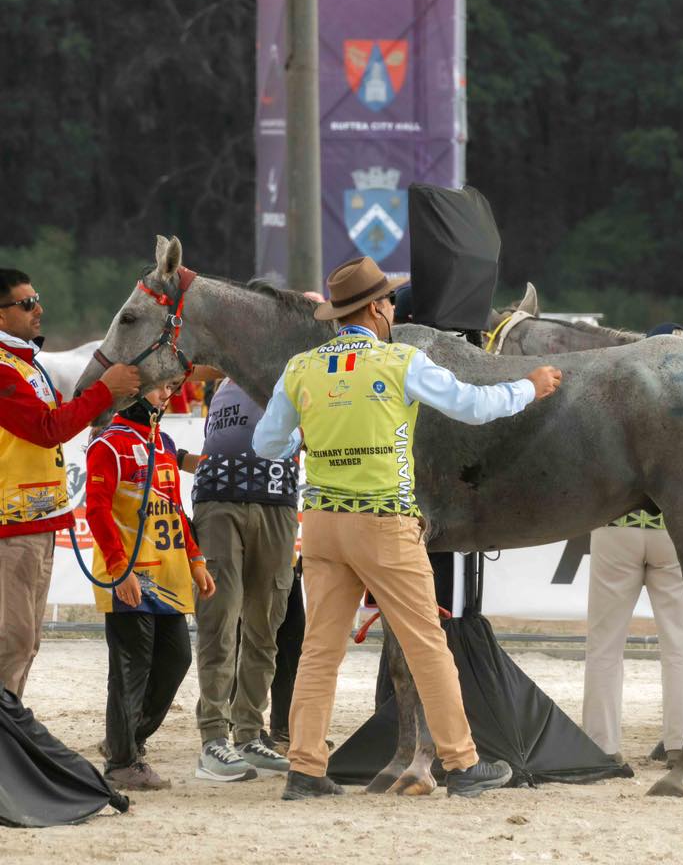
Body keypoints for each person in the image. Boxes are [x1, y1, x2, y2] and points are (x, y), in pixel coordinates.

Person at [253, 255, 562, 800]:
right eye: (389, 301)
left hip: (322, 523)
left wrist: (309, 439)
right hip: (383, 520)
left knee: (320, 649)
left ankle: (304, 768)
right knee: (426, 643)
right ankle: (462, 764)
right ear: (375, 309)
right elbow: (470, 406)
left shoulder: (300, 369)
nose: (393, 308)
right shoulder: (399, 361)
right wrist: (527, 388)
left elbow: (267, 446)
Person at [0, 267, 140, 698]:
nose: (38, 309)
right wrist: (103, 391)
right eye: (26, 303)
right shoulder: (4, 371)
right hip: (11, 528)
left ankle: (13, 735)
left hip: (36, 524)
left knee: (27, 643)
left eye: (36, 298)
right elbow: (46, 428)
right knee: (14, 641)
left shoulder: (28, 366)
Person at [86, 382, 216, 790]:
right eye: (159, 388)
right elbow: (96, 510)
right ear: (135, 394)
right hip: (129, 578)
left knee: (176, 660)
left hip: (167, 577)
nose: (166, 395)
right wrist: (119, 571)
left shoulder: (162, 440)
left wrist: (195, 559)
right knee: (130, 671)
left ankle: (125, 742)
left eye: (168, 387)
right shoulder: (107, 445)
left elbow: (174, 507)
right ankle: (123, 762)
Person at [582, 323, 683, 769]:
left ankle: (601, 745)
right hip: (675, 532)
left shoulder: (615, 403)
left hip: (616, 527)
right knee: (679, 643)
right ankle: (680, 743)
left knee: (605, 645)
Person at [191, 368, 300, 782]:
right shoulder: (232, 367)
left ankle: (250, 731)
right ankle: (214, 738)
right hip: (220, 497)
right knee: (219, 618)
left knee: (265, 623)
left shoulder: (300, 375)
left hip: (276, 498)